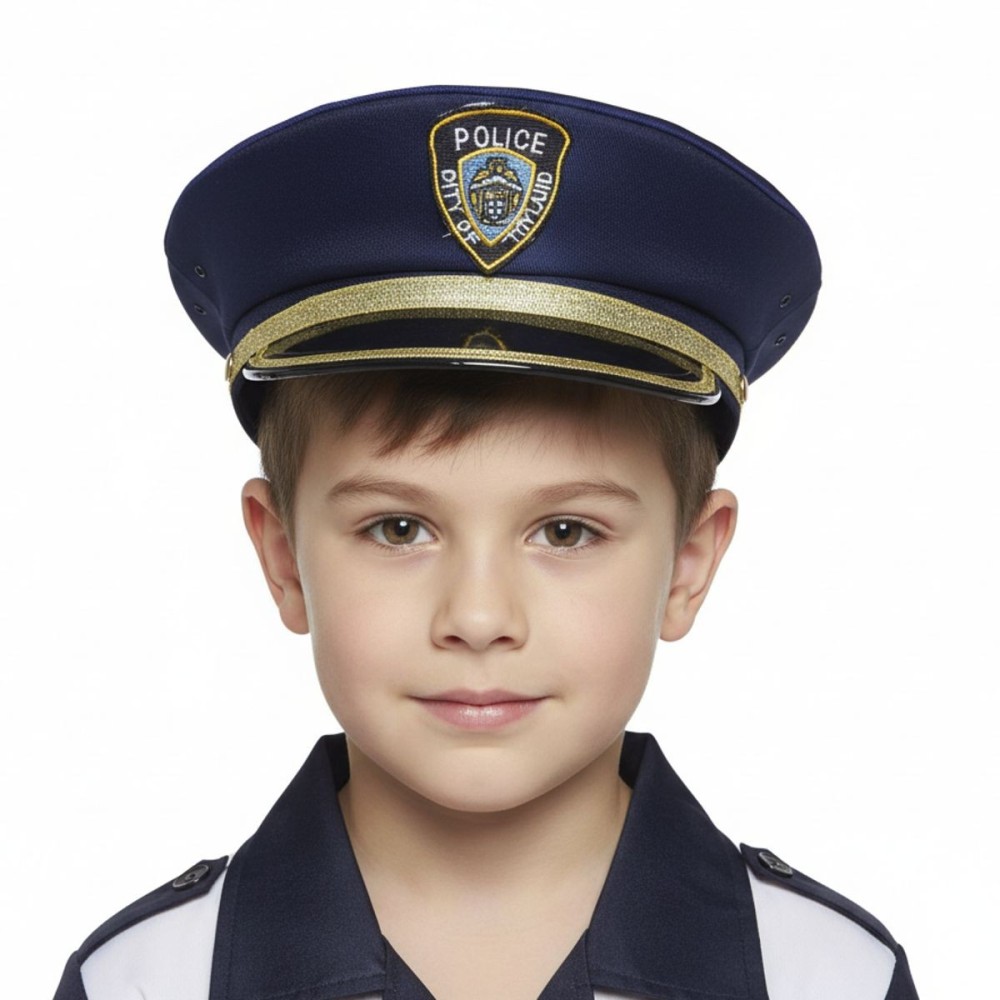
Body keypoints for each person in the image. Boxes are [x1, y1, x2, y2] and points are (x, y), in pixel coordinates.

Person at [52, 85, 919, 1000]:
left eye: (565, 531)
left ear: (689, 565)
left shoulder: (828, 979)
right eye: (398, 528)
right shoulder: (147, 982)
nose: (477, 616)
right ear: (281, 557)